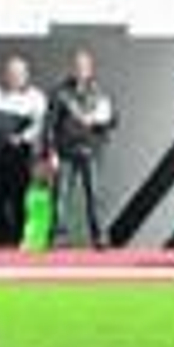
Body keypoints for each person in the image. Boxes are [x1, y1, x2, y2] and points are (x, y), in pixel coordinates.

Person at [44, 48, 118, 249]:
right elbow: (49, 124)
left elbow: (113, 121)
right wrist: (50, 151)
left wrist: (99, 120)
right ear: (72, 68)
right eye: (77, 66)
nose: (80, 69)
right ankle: (58, 237)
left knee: (94, 196)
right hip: (66, 151)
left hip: (91, 151)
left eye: (84, 66)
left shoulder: (101, 92)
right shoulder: (60, 92)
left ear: (90, 68)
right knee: (60, 196)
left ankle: (100, 237)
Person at [0, 55, 47, 247]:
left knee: (18, 199)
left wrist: (22, 138)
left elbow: (40, 124)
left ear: (26, 75)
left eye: (18, 73)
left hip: (19, 155)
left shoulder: (35, 97)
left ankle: (18, 241)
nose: (13, 77)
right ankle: (0, 242)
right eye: (10, 73)